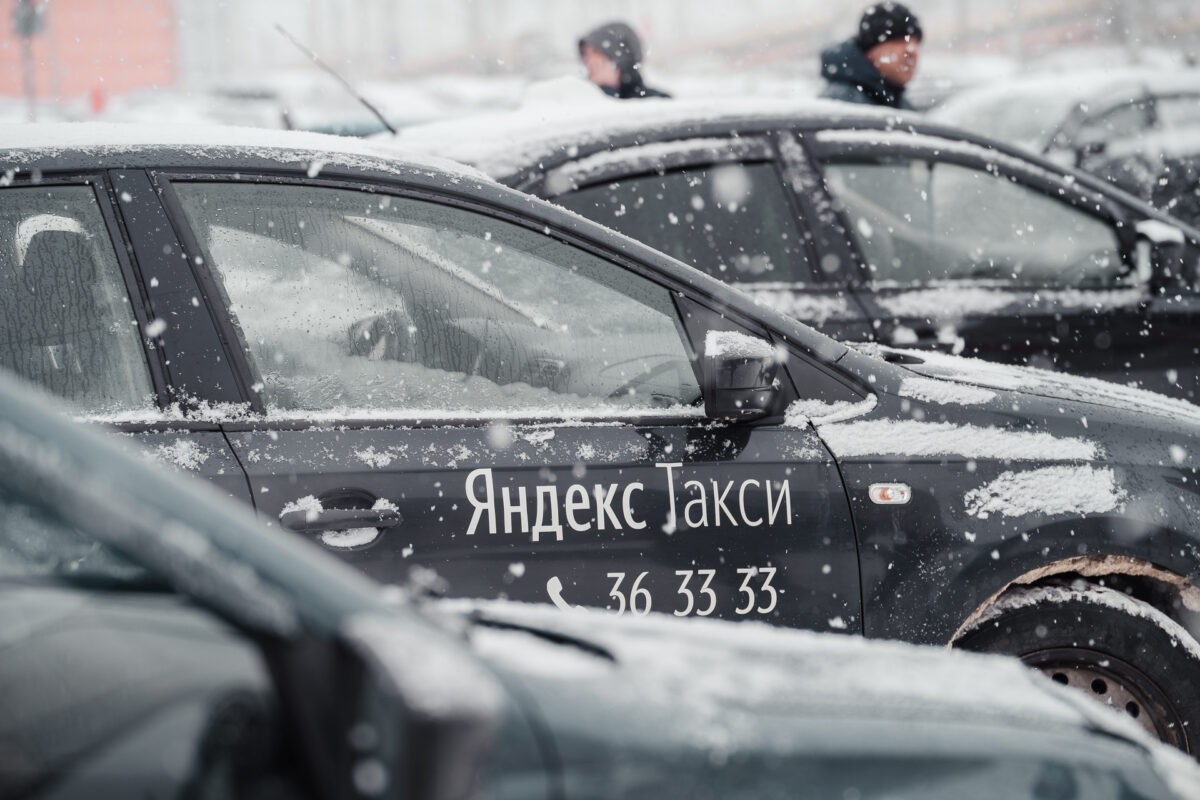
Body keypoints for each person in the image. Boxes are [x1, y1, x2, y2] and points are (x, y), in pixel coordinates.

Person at [820, 3, 922, 109]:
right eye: (899, 40)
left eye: (917, 42)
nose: (912, 51)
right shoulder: (840, 104)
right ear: (870, 48)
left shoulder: (898, 103)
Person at [578, 21, 670, 100]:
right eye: (585, 54)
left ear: (620, 60)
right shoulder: (579, 99)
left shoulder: (657, 101)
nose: (588, 60)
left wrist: (607, 90)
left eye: (596, 52)